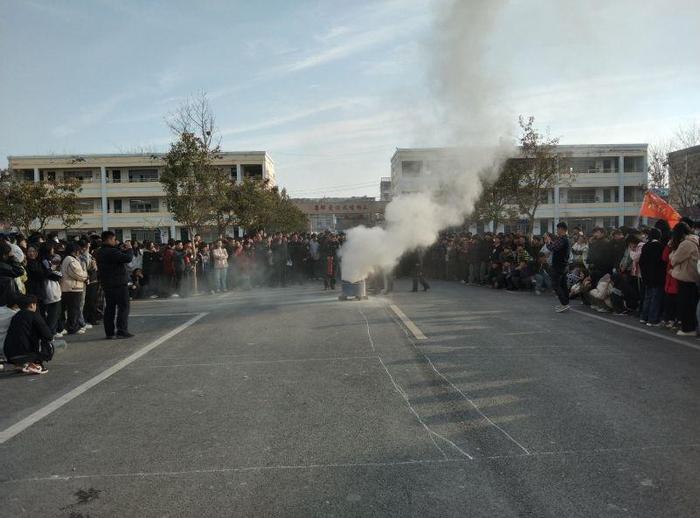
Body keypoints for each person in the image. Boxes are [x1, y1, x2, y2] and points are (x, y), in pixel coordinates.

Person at [94, 231, 134, 339]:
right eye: (113, 239)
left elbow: (118, 256)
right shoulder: (111, 251)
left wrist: (120, 249)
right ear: (109, 239)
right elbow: (127, 258)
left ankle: (109, 332)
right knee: (124, 307)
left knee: (110, 308)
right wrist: (130, 249)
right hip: (119, 283)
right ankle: (121, 330)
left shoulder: (100, 251)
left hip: (107, 284)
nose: (115, 241)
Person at [3, 294, 53, 374]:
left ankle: (20, 365)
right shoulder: (34, 315)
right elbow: (48, 336)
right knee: (49, 343)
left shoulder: (15, 316)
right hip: (27, 354)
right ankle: (36, 363)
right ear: (32, 305)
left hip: (9, 355)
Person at [669, 222, 699, 336]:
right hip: (692, 277)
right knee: (690, 303)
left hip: (686, 277)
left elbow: (674, 259)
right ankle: (690, 327)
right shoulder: (694, 240)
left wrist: (673, 251)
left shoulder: (686, 244)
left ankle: (688, 329)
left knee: (685, 304)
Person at [60, 242, 88, 335]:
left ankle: (72, 326)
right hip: (72, 288)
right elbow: (77, 273)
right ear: (74, 251)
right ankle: (73, 327)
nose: (79, 253)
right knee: (73, 309)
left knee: (73, 309)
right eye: (78, 251)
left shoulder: (70, 259)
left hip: (72, 287)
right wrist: (85, 276)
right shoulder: (70, 259)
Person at [639, 228, 665, 326]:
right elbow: (663, 262)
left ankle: (644, 317)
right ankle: (652, 319)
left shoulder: (646, 246)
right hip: (658, 276)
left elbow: (641, 262)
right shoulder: (661, 247)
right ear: (659, 236)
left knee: (647, 297)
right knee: (656, 298)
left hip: (647, 276)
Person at [545, 221, 571, 312]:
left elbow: (553, 248)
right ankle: (565, 303)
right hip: (563, 265)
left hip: (558, 266)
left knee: (556, 285)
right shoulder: (565, 239)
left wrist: (548, 242)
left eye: (557, 229)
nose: (557, 230)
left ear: (561, 229)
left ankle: (564, 303)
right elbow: (556, 246)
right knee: (563, 285)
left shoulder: (562, 239)